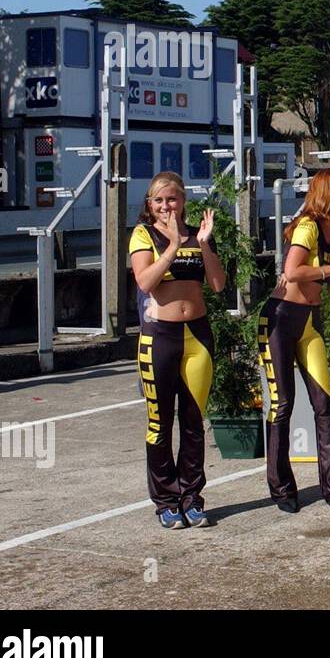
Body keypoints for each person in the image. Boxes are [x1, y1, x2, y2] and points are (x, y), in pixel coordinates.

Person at [259, 169, 330, 513]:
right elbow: (293, 271)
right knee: (282, 406)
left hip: (311, 321)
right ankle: (282, 490)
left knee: (324, 405)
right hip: (280, 320)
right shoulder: (308, 226)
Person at [129, 171, 226, 529]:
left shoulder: (198, 235)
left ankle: (192, 497)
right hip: (159, 337)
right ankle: (166, 500)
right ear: (149, 205)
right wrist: (170, 247)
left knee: (193, 422)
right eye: (159, 200)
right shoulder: (144, 235)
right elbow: (145, 282)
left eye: (172, 199)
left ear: (183, 201)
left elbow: (217, 285)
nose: (166, 206)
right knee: (159, 423)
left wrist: (202, 244)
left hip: (197, 336)